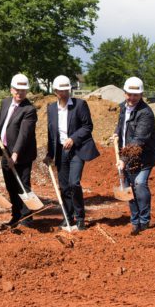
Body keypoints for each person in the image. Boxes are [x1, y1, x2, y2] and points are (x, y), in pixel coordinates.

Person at [43, 75, 99, 231]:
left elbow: (88, 126)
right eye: (61, 90)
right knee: (64, 186)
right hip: (60, 152)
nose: (64, 93)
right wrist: (50, 154)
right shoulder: (51, 108)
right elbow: (51, 133)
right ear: (55, 91)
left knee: (74, 183)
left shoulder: (80, 105)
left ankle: (80, 217)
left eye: (66, 89)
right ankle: (68, 217)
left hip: (76, 150)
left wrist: (73, 139)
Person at [114, 77, 155, 235]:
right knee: (128, 188)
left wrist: (124, 160)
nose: (132, 98)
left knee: (139, 184)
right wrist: (116, 133)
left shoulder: (146, 113)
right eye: (129, 94)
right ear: (124, 93)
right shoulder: (123, 108)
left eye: (136, 95)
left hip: (144, 156)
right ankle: (135, 221)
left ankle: (144, 221)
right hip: (126, 155)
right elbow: (122, 124)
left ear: (141, 95)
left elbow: (138, 140)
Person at [0, 74, 37, 227]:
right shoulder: (6, 102)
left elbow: (24, 134)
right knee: (10, 185)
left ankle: (27, 218)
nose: (20, 93)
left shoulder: (29, 109)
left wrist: (15, 154)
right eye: (17, 90)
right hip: (5, 150)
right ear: (11, 89)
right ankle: (16, 215)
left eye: (23, 91)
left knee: (23, 184)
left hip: (22, 154)